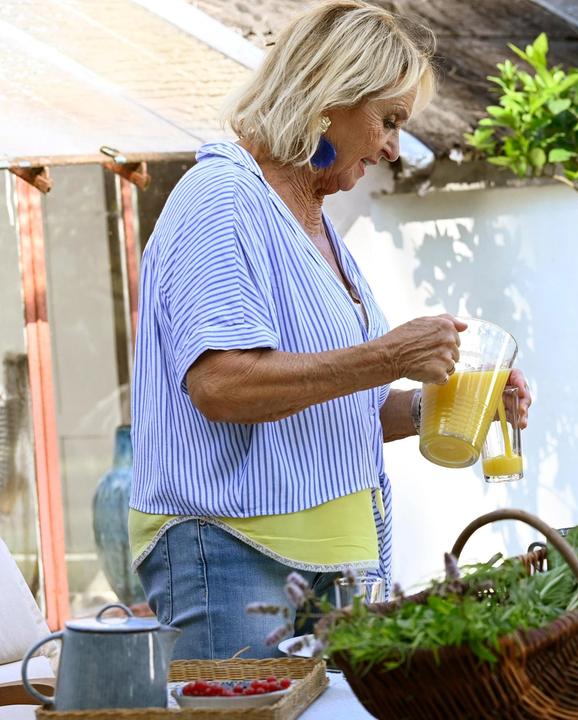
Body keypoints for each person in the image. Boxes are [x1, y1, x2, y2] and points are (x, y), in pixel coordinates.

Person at [128, 0, 530, 659]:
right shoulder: (222, 197)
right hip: (235, 554)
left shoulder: (316, 228)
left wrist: (455, 408)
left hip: (335, 566)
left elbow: (345, 410)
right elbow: (223, 385)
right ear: (329, 95)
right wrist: (388, 354)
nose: (393, 148)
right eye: (389, 120)